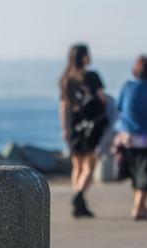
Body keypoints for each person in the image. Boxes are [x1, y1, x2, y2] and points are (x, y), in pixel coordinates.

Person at [59, 44, 108, 217]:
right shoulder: (92, 76)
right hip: (91, 125)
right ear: (84, 57)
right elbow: (102, 98)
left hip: (73, 125)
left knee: (77, 166)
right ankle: (79, 196)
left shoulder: (66, 79)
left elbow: (64, 105)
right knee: (89, 165)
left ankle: (79, 203)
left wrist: (65, 128)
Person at [114, 55, 147, 220]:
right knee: (146, 175)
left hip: (127, 139)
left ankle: (141, 206)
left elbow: (119, 108)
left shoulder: (127, 87)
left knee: (135, 174)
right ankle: (138, 207)